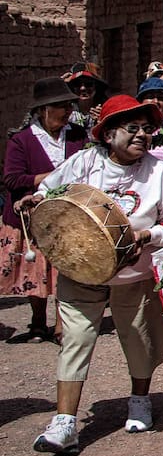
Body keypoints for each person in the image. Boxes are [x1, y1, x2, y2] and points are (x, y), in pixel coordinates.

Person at [19, 95, 163, 454]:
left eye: (147, 129)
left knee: (138, 338)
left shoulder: (158, 173)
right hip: (81, 270)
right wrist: (34, 200)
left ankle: (140, 400)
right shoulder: (84, 162)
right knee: (76, 338)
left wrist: (148, 236)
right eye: (132, 128)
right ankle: (64, 423)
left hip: (133, 274)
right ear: (108, 134)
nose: (142, 135)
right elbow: (51, 190)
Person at [3, 78, 86, 343]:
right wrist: (51, 176)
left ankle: (62, 325)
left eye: (68, 105)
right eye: (61, 106)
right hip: (31, 217)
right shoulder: (22, 141)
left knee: (65, 271)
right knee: (36, 271)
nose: (67, 111)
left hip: (68, 214)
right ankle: (38, 321)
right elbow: (13, 179)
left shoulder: (76, 136)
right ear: (43, 110)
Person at [65, 63, 107, 134]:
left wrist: (102, 122)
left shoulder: (105, 109)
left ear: (96, 87)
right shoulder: (67, 111)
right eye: (77, 84)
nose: (83, 88)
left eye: (88, 84)